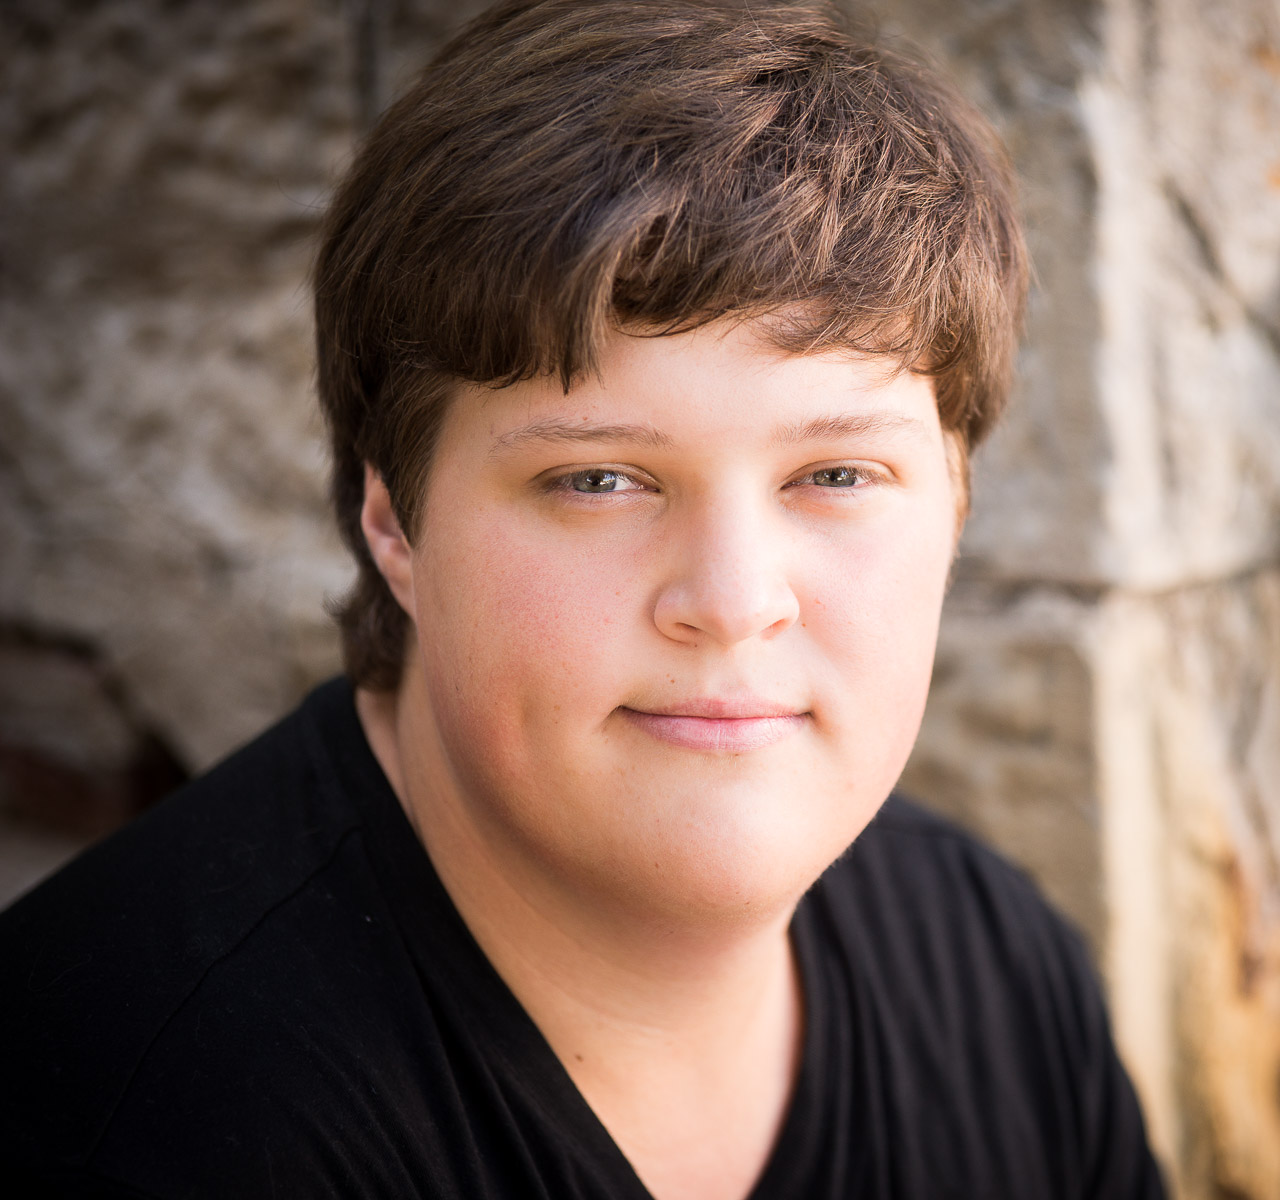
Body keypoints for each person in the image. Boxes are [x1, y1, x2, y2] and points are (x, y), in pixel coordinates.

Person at [0, 2, 1166, 1196]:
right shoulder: (151, 1118)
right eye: (599, 478)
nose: (731, 601)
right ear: (394, 518)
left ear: (956, 502)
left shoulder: (995, 972)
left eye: (834, 474)